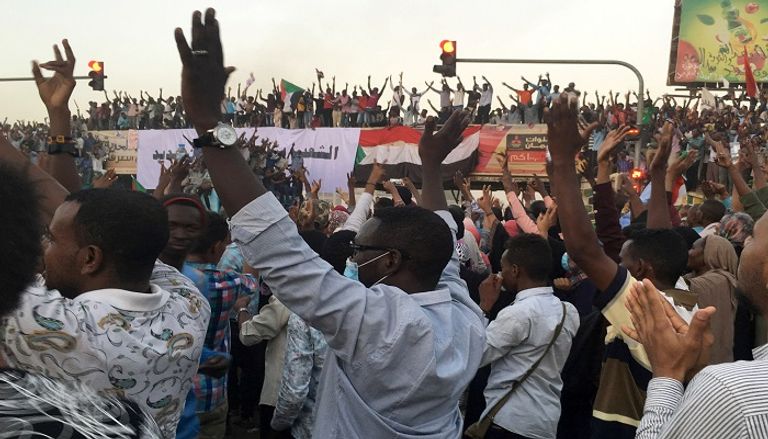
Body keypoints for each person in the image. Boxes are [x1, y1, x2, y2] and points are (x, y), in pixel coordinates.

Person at [173, 9, 485, 437]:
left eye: (360, 250)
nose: (353, 258)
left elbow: (279, 249)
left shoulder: (379, 322)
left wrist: (208, 122)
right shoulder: (465, 317)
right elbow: (441, 242)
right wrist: (431, 167)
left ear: (391, 260)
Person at [544, 96, 696, 439]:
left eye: (622, 263)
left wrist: (564, 160)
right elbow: (660, 239)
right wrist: (660, 174)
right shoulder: (683, 295)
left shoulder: (648, 310)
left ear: (641, 269)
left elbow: (584, 249)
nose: (615, 266)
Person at [477, 234, 580, 439]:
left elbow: (476, 355)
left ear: (515, 270)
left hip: (510, 420)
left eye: (503, 268)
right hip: (546, 419)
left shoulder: (517, 314)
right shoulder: (568, 311)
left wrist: (484, 306)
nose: (500, 274)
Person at [183, 211, 258, 438]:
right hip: (210, 394)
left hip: (171, 392)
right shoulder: (226, 283)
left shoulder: (164, 278)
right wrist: (251, 246)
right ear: (216, 247)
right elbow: (251, 282)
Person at [683, 235, 738, 364]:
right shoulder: (691, 277)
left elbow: (682, 288)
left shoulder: (721, 280)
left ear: (710, 253)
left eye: (693, 248)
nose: (688, 253)